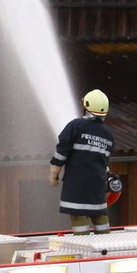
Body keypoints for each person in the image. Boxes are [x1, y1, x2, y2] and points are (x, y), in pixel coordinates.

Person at [50, 89, 118, 234]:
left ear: (86, 106)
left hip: (77, 184)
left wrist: (54, 172)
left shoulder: (76, 126)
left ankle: (84, 243)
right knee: (100, 216)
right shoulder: (108, 134)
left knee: (78, 217)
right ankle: (104, 243)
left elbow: (62, 150)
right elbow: (103, 161)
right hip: (97, 186)